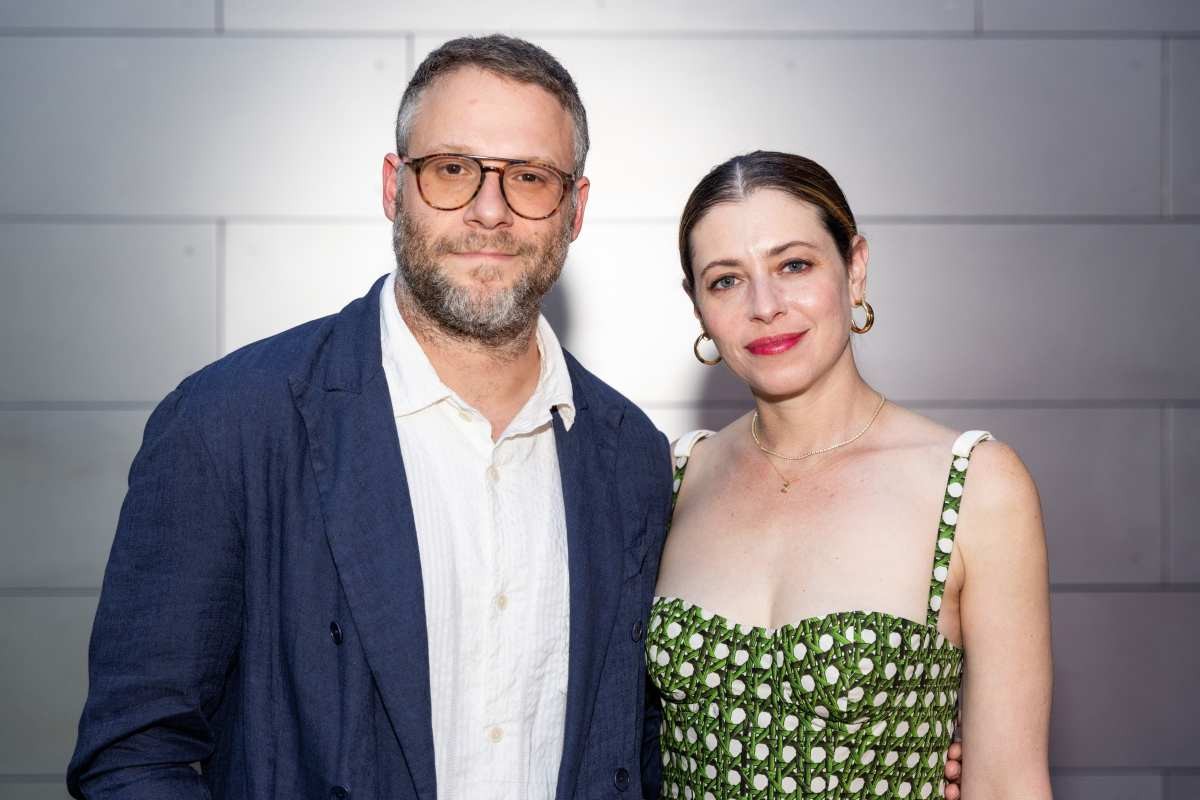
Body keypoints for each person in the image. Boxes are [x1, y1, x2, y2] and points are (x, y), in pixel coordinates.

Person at [67, 35, 963, 799]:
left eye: (530, 178)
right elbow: (134, 752)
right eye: (452, 169)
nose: (490, 211)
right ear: (395, 186)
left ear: (574, 210)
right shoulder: (232, 423)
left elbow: (655, 748)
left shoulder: (633, 461)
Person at [646, 151, 1052, 798]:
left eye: (794, 265)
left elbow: (1007, 782)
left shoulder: (974, 485)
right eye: (725, 280)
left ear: (854, 268)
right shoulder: (673, 476)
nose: (765, 305)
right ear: (697, 306)